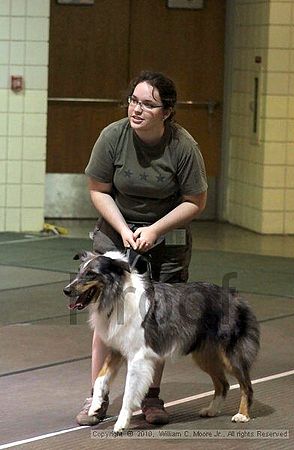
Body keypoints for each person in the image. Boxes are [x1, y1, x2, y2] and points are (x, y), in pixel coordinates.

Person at [76, 71, 208, 426]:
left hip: (167, 235)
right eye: (134, 100)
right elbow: (98, 189)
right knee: (107, 317)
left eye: (148, 104)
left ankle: (151, 398)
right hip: (116, 232)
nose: (137, 109)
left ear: (166, 111)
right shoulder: (113, 137)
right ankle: (97, 396)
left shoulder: (183, 146)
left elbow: (195, 200)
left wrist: (155, 229)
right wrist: (123, 229)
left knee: (157, 319)